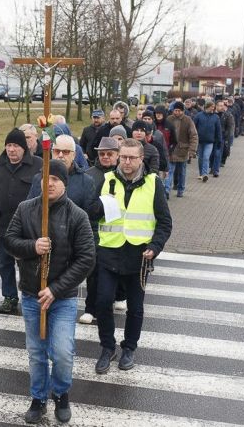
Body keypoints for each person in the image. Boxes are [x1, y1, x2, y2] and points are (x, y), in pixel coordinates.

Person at [4, 159, 95, 424]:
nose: (50, 183)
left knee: (63, 353)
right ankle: (38, 397)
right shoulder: (25, 209)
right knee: (36, 352)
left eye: (56, 179)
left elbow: (87, 258)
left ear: (64, 183)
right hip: (32, 295)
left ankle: (61, 393)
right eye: (46, 178)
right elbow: (9, 241)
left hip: (62, 298)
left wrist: (55, 289)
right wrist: (33, 246)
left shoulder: (77, 215)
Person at [92, 138, 172, 373]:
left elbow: (165, 223)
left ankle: (129, 348)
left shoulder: (153, 183)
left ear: (141, 159)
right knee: (103, 302)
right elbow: (93, 213)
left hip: (139, 256)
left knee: (135, 308)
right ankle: (107, 347)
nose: (127, 162)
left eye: (132, 158)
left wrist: (155, 247)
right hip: (109, 252)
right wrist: (96, 209)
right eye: (123, 157)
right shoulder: (107, 180)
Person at [0, 128, 43, 314]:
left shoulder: (38, 165)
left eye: (16, 145)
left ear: (24, 148)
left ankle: (30, 295)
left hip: (29, 228)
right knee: (5, 264)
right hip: (3, 226)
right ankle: (9, 297)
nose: (11, 150)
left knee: (28, 263)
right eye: (8, 145)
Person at [80, 137, 120, 324]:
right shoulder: (89, 175)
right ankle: (90, 307)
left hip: (118, 231)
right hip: (95, 229)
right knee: (93, 271)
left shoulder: (122, 174)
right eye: (102, 154)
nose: (105, 157)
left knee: (115, 271)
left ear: (117, 155)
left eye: (109, 154)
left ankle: (115, 299)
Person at [27, 134, 96, 215]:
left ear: (74, 155)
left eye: (66, 152)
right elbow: (29, 210)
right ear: (52, 153)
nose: (60, 155)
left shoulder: (86, 182)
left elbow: (89, 217)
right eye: (57, 151)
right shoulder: (39, 178)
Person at [166, 101, 198, 197]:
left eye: (179, 110)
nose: (177, 112)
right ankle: (166, 190)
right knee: (169, 171)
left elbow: (193, 135)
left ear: (183, 111)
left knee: (181, 172)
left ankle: (181, 190)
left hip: (183, 151)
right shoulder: (169, 119)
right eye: (175, 110)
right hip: (171, 150)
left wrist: (192, 150)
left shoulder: (188, 120)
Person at [193, 101, 222, 182]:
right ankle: (201, 173)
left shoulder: (216, 117)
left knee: (206, 157)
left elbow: (218, 130)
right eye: (211, 107)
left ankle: (205, 174)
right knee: (200, 158)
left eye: (213, 107)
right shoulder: (199, 116)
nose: (213, 108)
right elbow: (193, 127)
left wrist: (219, 140)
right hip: (200, 141)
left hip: (210, 141)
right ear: (207, 107)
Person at [216, 100, 235, 172]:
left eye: (223, 105)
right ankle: (215, 165)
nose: (222, 107)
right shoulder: (215, 114)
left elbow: (230, 126)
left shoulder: (228, 114)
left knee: (223, 151)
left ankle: (220, 163)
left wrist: (228, 135)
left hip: (224, 136)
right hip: (216, 136)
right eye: (220, 105)